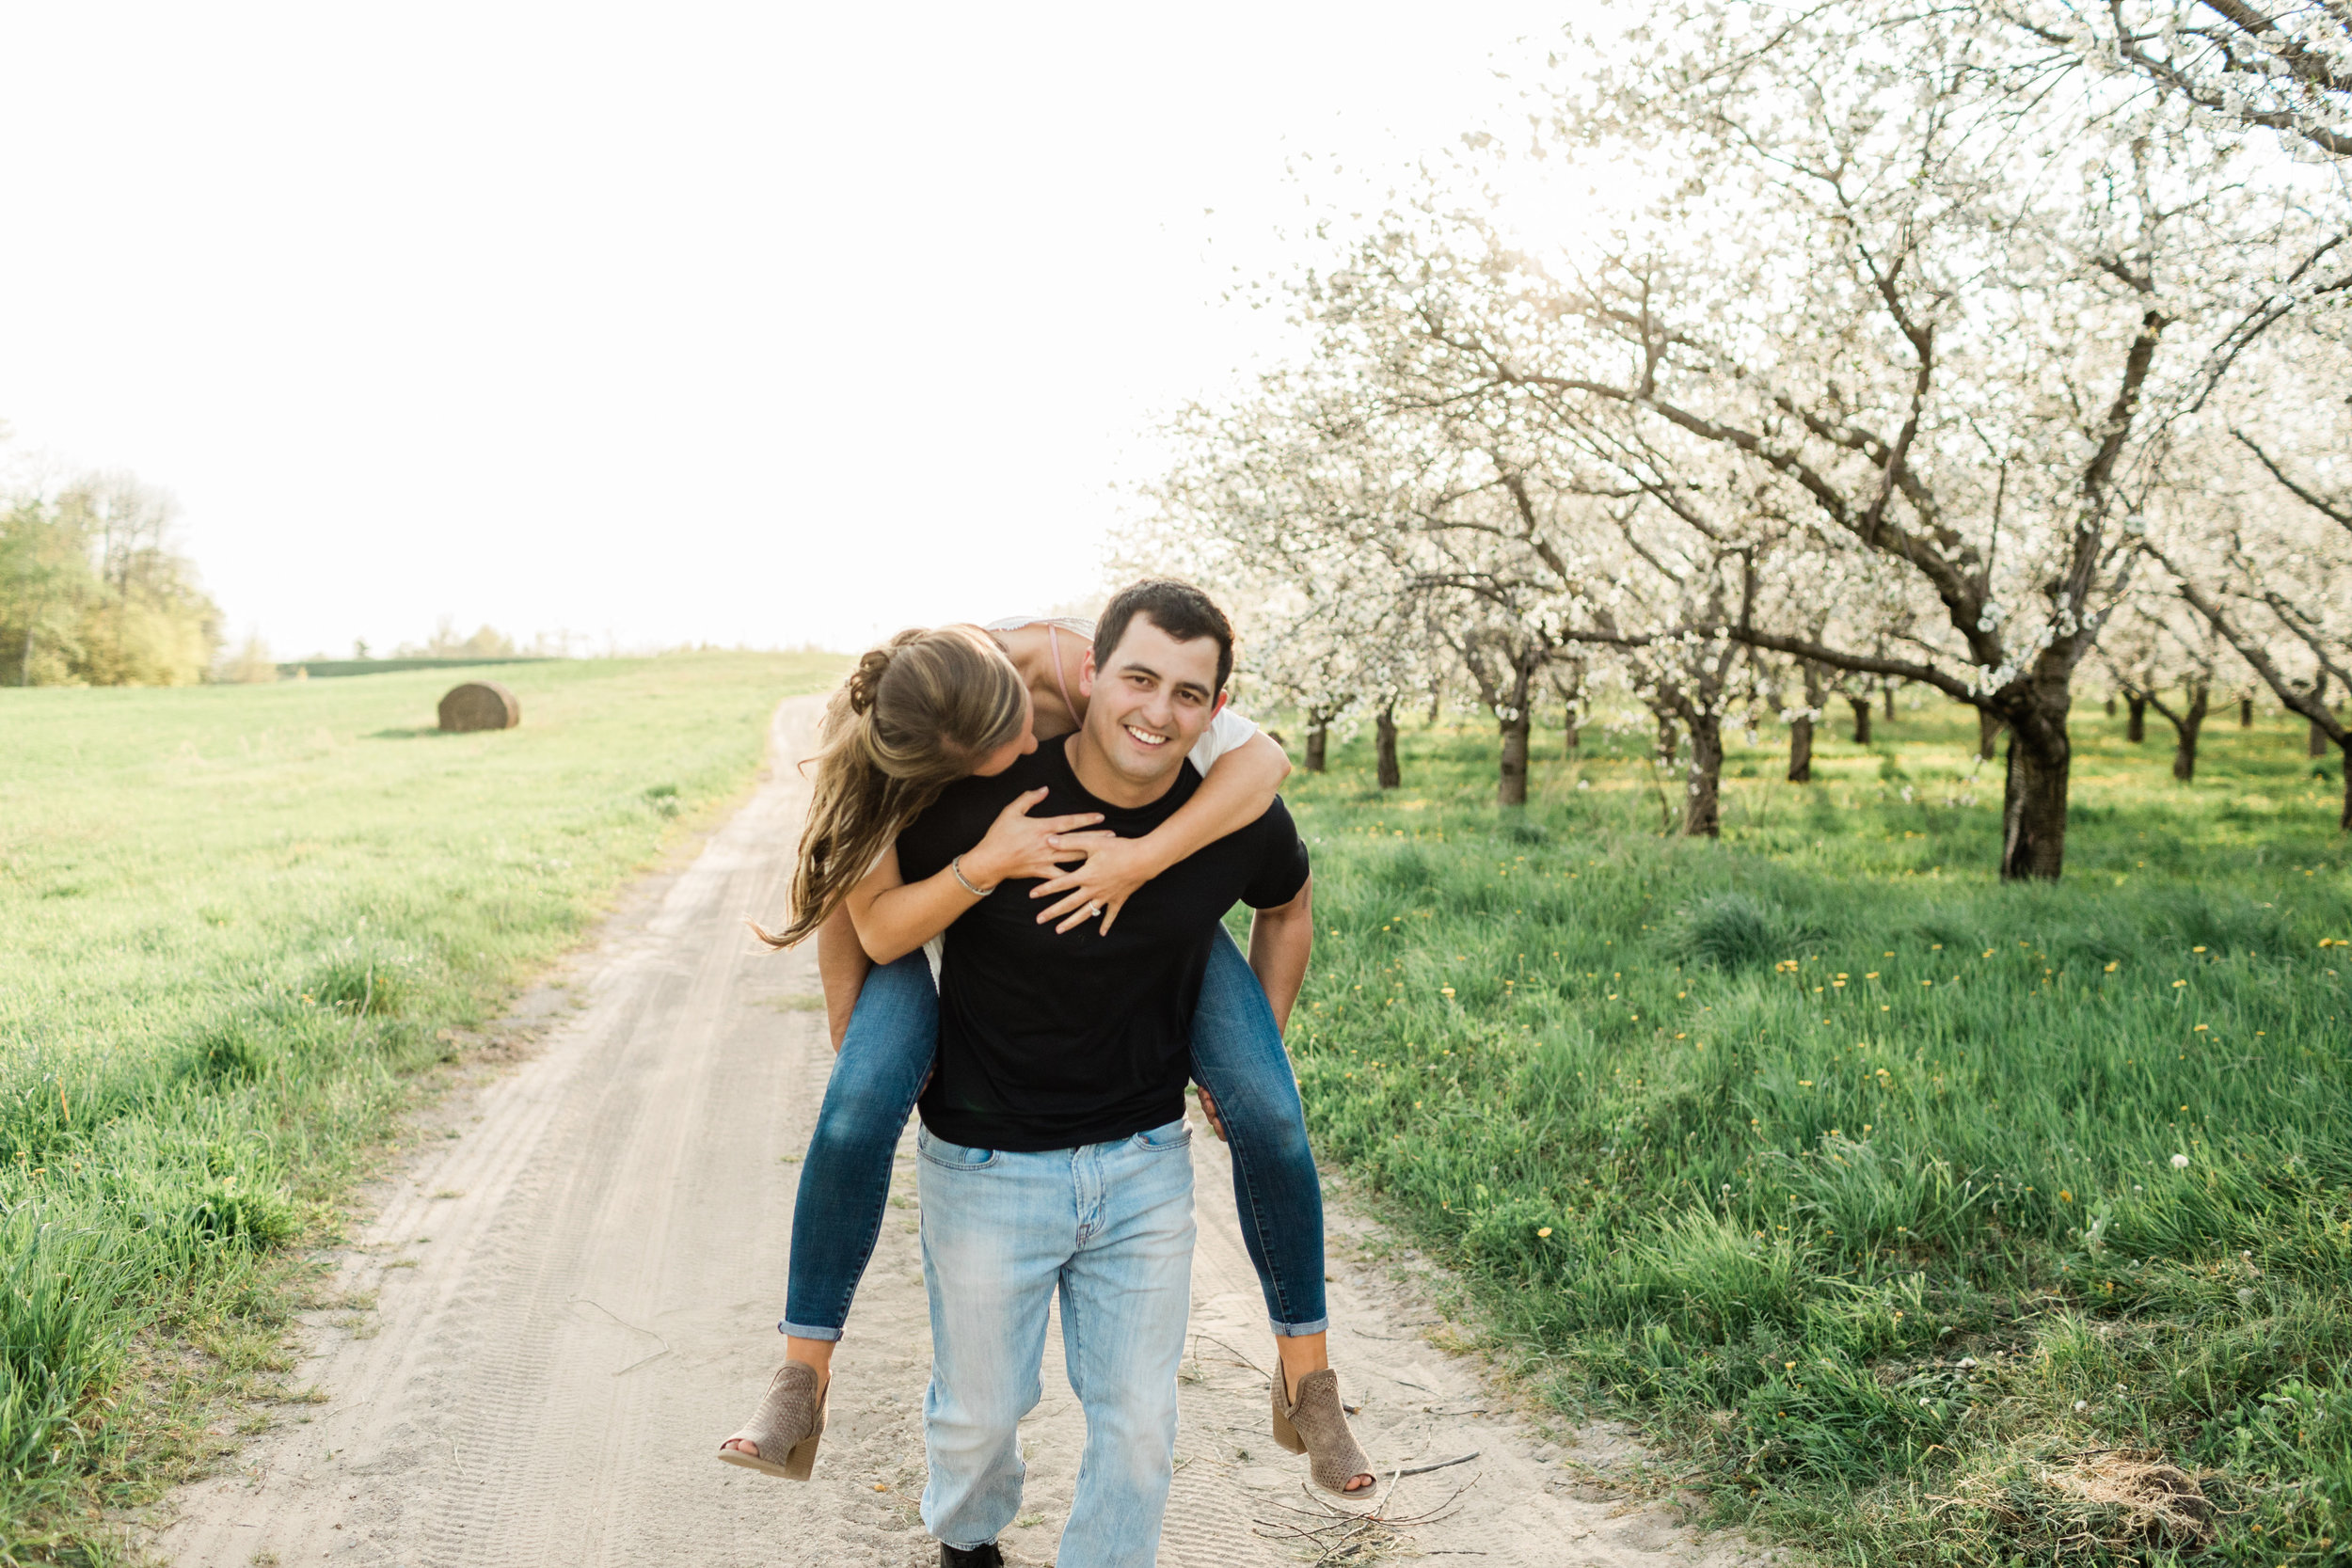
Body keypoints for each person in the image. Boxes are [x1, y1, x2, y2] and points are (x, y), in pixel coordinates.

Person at [716, 607, 1374, 1496]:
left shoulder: (1086, 669)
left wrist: (1137, 861)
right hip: (933, 906)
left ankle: (1308, 1380)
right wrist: (865, 1057)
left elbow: (1264, 761)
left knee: (1267, 1105)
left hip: (1143, 884)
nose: (1031, 748)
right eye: (1001, 757)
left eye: (1028, 731)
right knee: (852, 1111)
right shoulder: (890, 753)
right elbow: (858, 917)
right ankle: (802, 1376)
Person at [898, 579, 1319, 1565]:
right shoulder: (991, 787)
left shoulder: (1226, 813)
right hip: (986, 1164)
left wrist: (1254, 1041)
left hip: (1140, 1163)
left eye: (1187, 693)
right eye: (1137, 677)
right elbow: (870, 886)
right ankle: (966, 1539)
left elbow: (1288, 904)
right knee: (979, 1417)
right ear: (1089, 673)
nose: (1156, 710)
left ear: (1217, 709)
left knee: (1137, 1426)